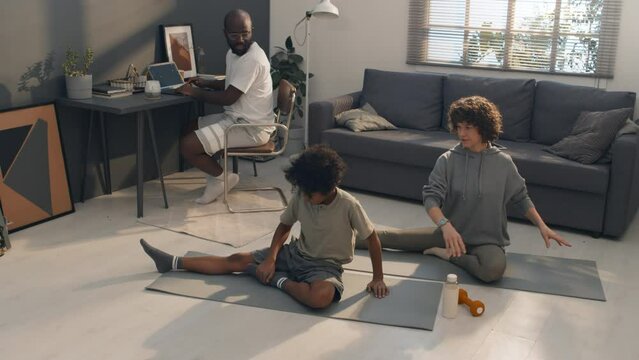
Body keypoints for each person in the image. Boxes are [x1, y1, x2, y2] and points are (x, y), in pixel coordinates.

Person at [141, 145, 389, 309]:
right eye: (300, 191)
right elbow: (284, 227)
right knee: (236, 259)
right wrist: (271, 258)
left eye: (307, 193)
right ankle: (173, 262)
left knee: (321, 298)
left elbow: (373, 239)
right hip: (295, 254)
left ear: (326, 189)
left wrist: (378, 277)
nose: (302, 197)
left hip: (324, 266)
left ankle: (278, 282)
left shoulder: (349, 205)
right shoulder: (302, 194)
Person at [357, 96, 571, 283]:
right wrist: (446, 226)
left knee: (493, 270)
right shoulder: (448, 160)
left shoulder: (503, 163)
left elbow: (521, 197)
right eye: (458, 127)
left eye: (468, 127)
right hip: (450, 234)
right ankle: (336, 239)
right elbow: (431, 198)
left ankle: (447, 256)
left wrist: (542, 226)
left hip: (487, 240)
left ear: (483, 127)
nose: (462, 133)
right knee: (389, 237)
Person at [177, 9, 275, 204]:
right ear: (225, 33)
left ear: (251, 31)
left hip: (251, 128)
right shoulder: (234, 53)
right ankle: (217, 179)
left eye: (245, 34)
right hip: (235, 119)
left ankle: (222, 178)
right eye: (234, 35)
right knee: (189, 128)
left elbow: (229, 97)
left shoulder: (253, 59)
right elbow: (233, 83)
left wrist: (194, 92)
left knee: (188, 146)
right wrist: (206, 83)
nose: (240, 39)